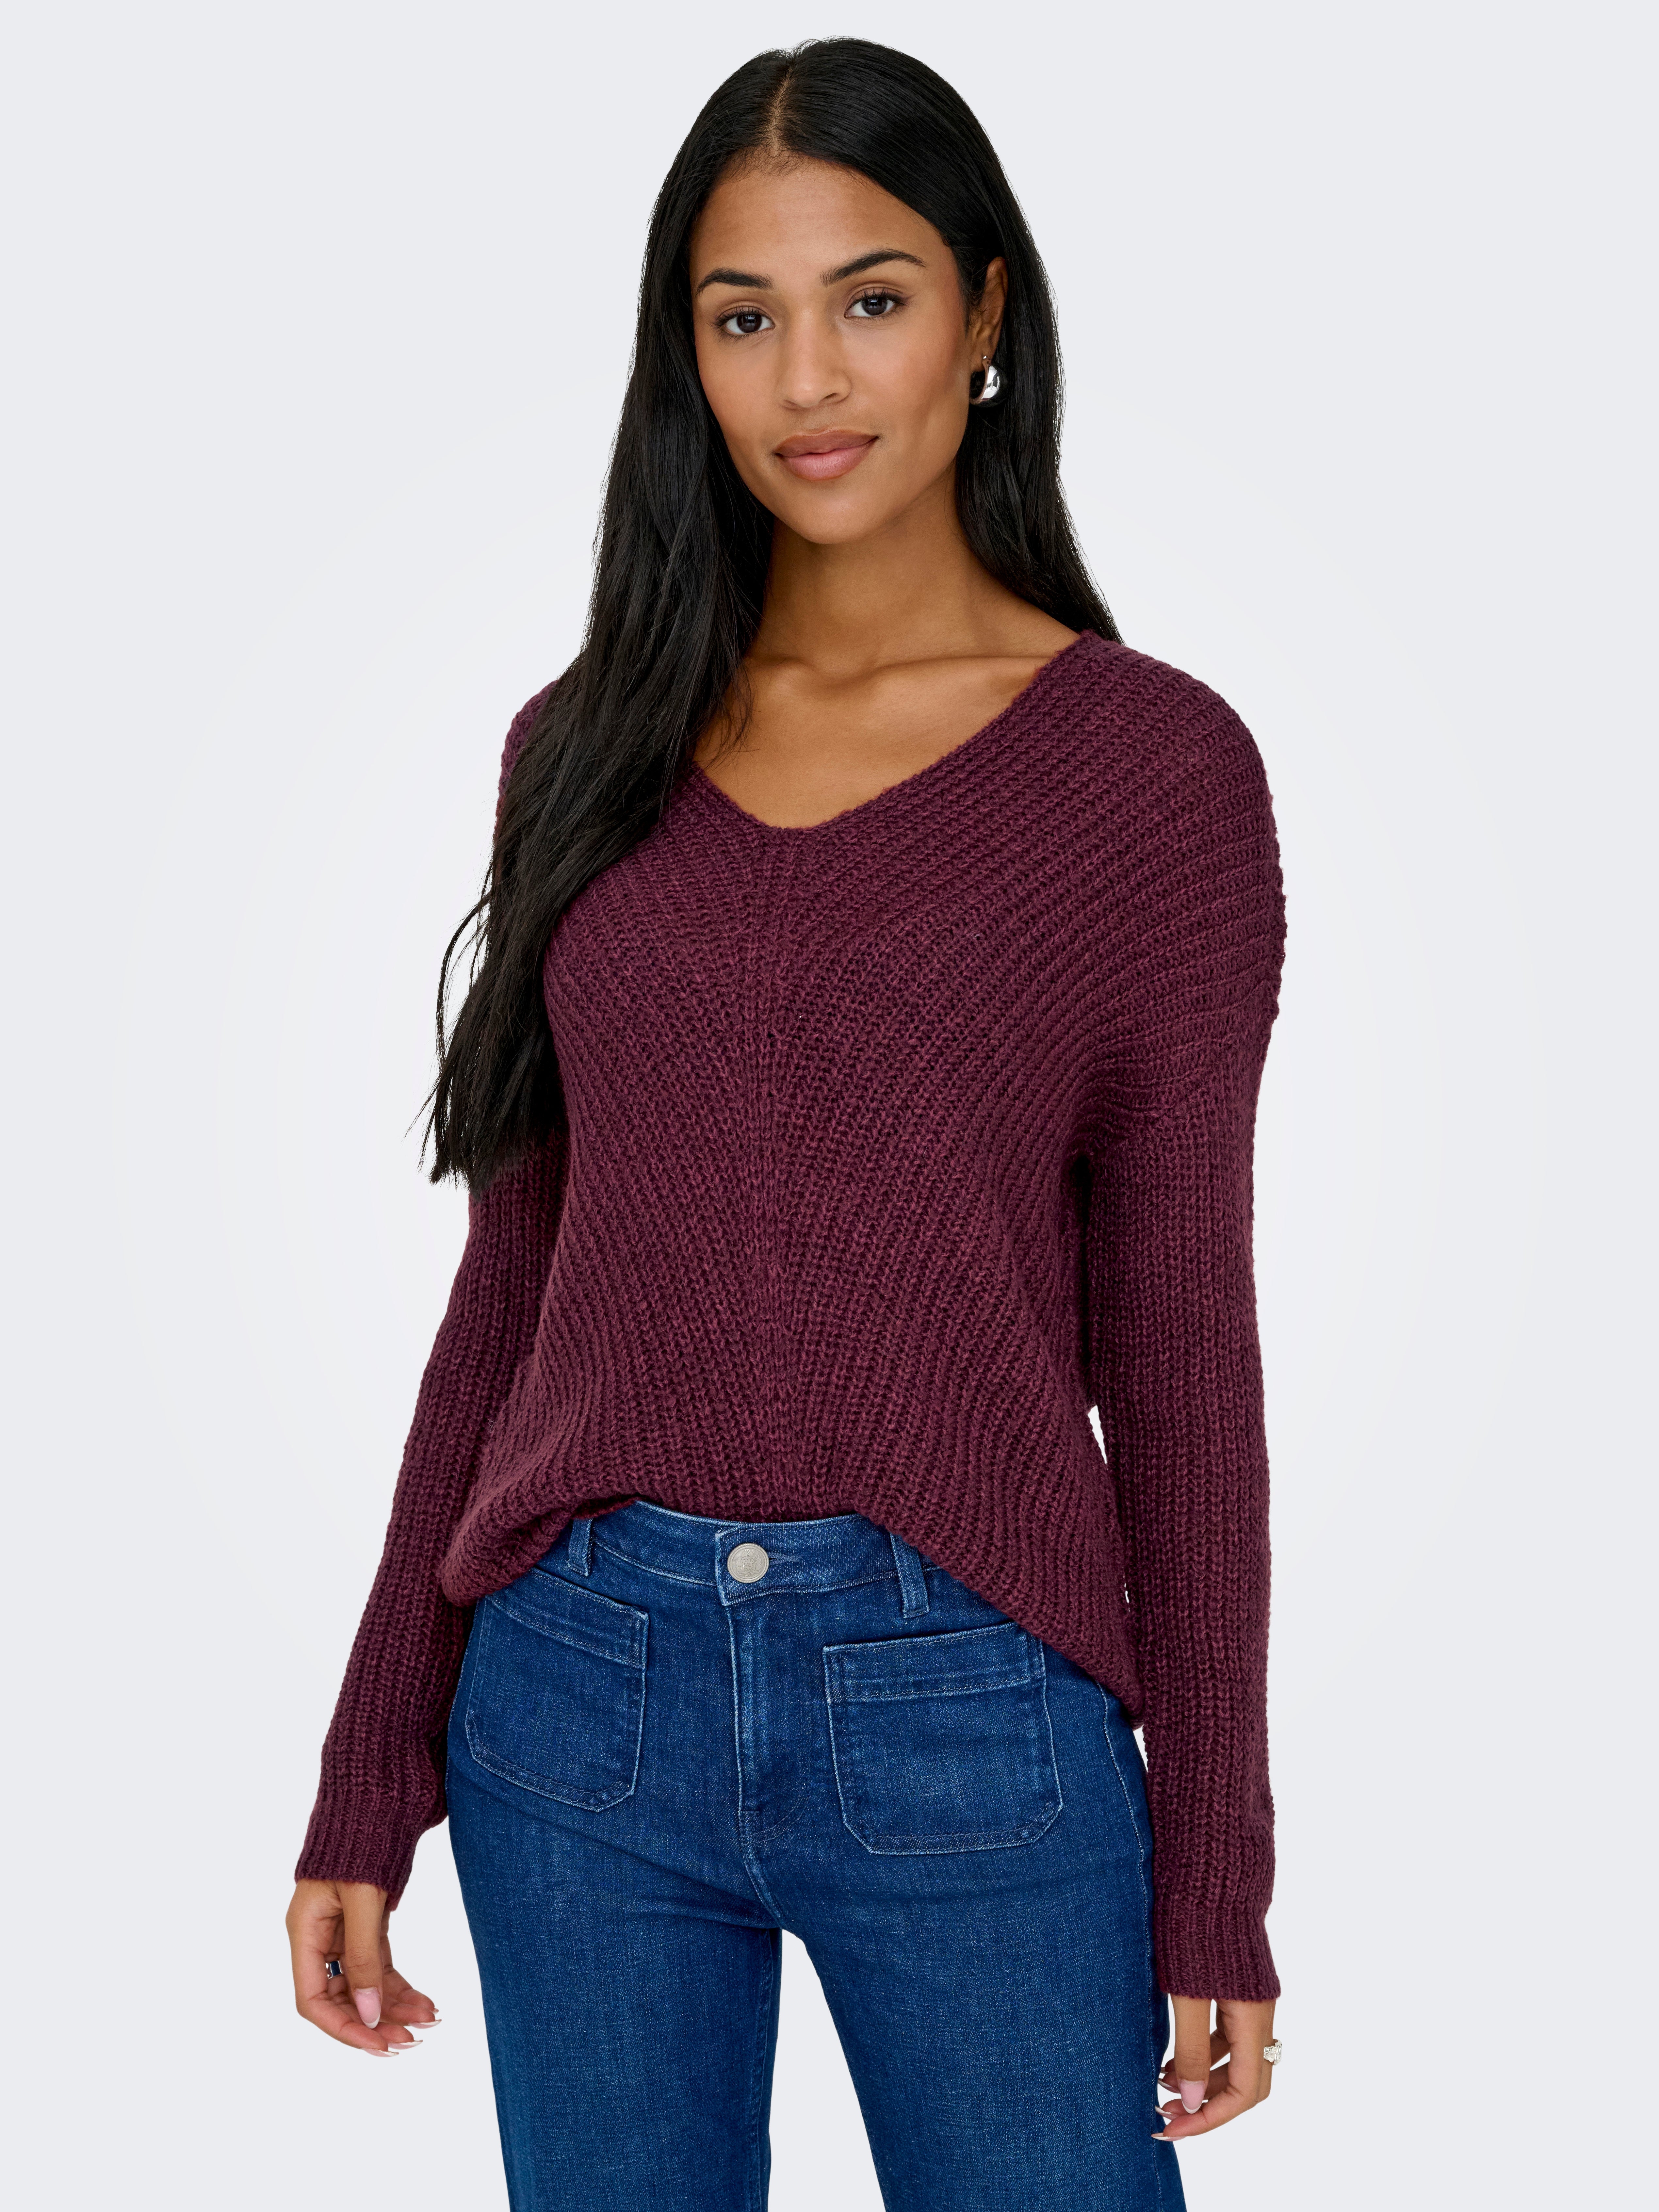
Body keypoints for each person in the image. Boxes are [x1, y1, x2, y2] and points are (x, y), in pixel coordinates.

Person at [285, 37, 1286, 2211]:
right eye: (741, 316)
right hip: (572, 1696)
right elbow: (515, 1293)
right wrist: (373, 1761)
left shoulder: (1149, 776)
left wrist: (1217, 1866)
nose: (807, 378)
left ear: (987, 314)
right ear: (686, 356)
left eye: (872, 297)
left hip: (970, 1699)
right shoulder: (584, 746)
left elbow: (1182, 1348)